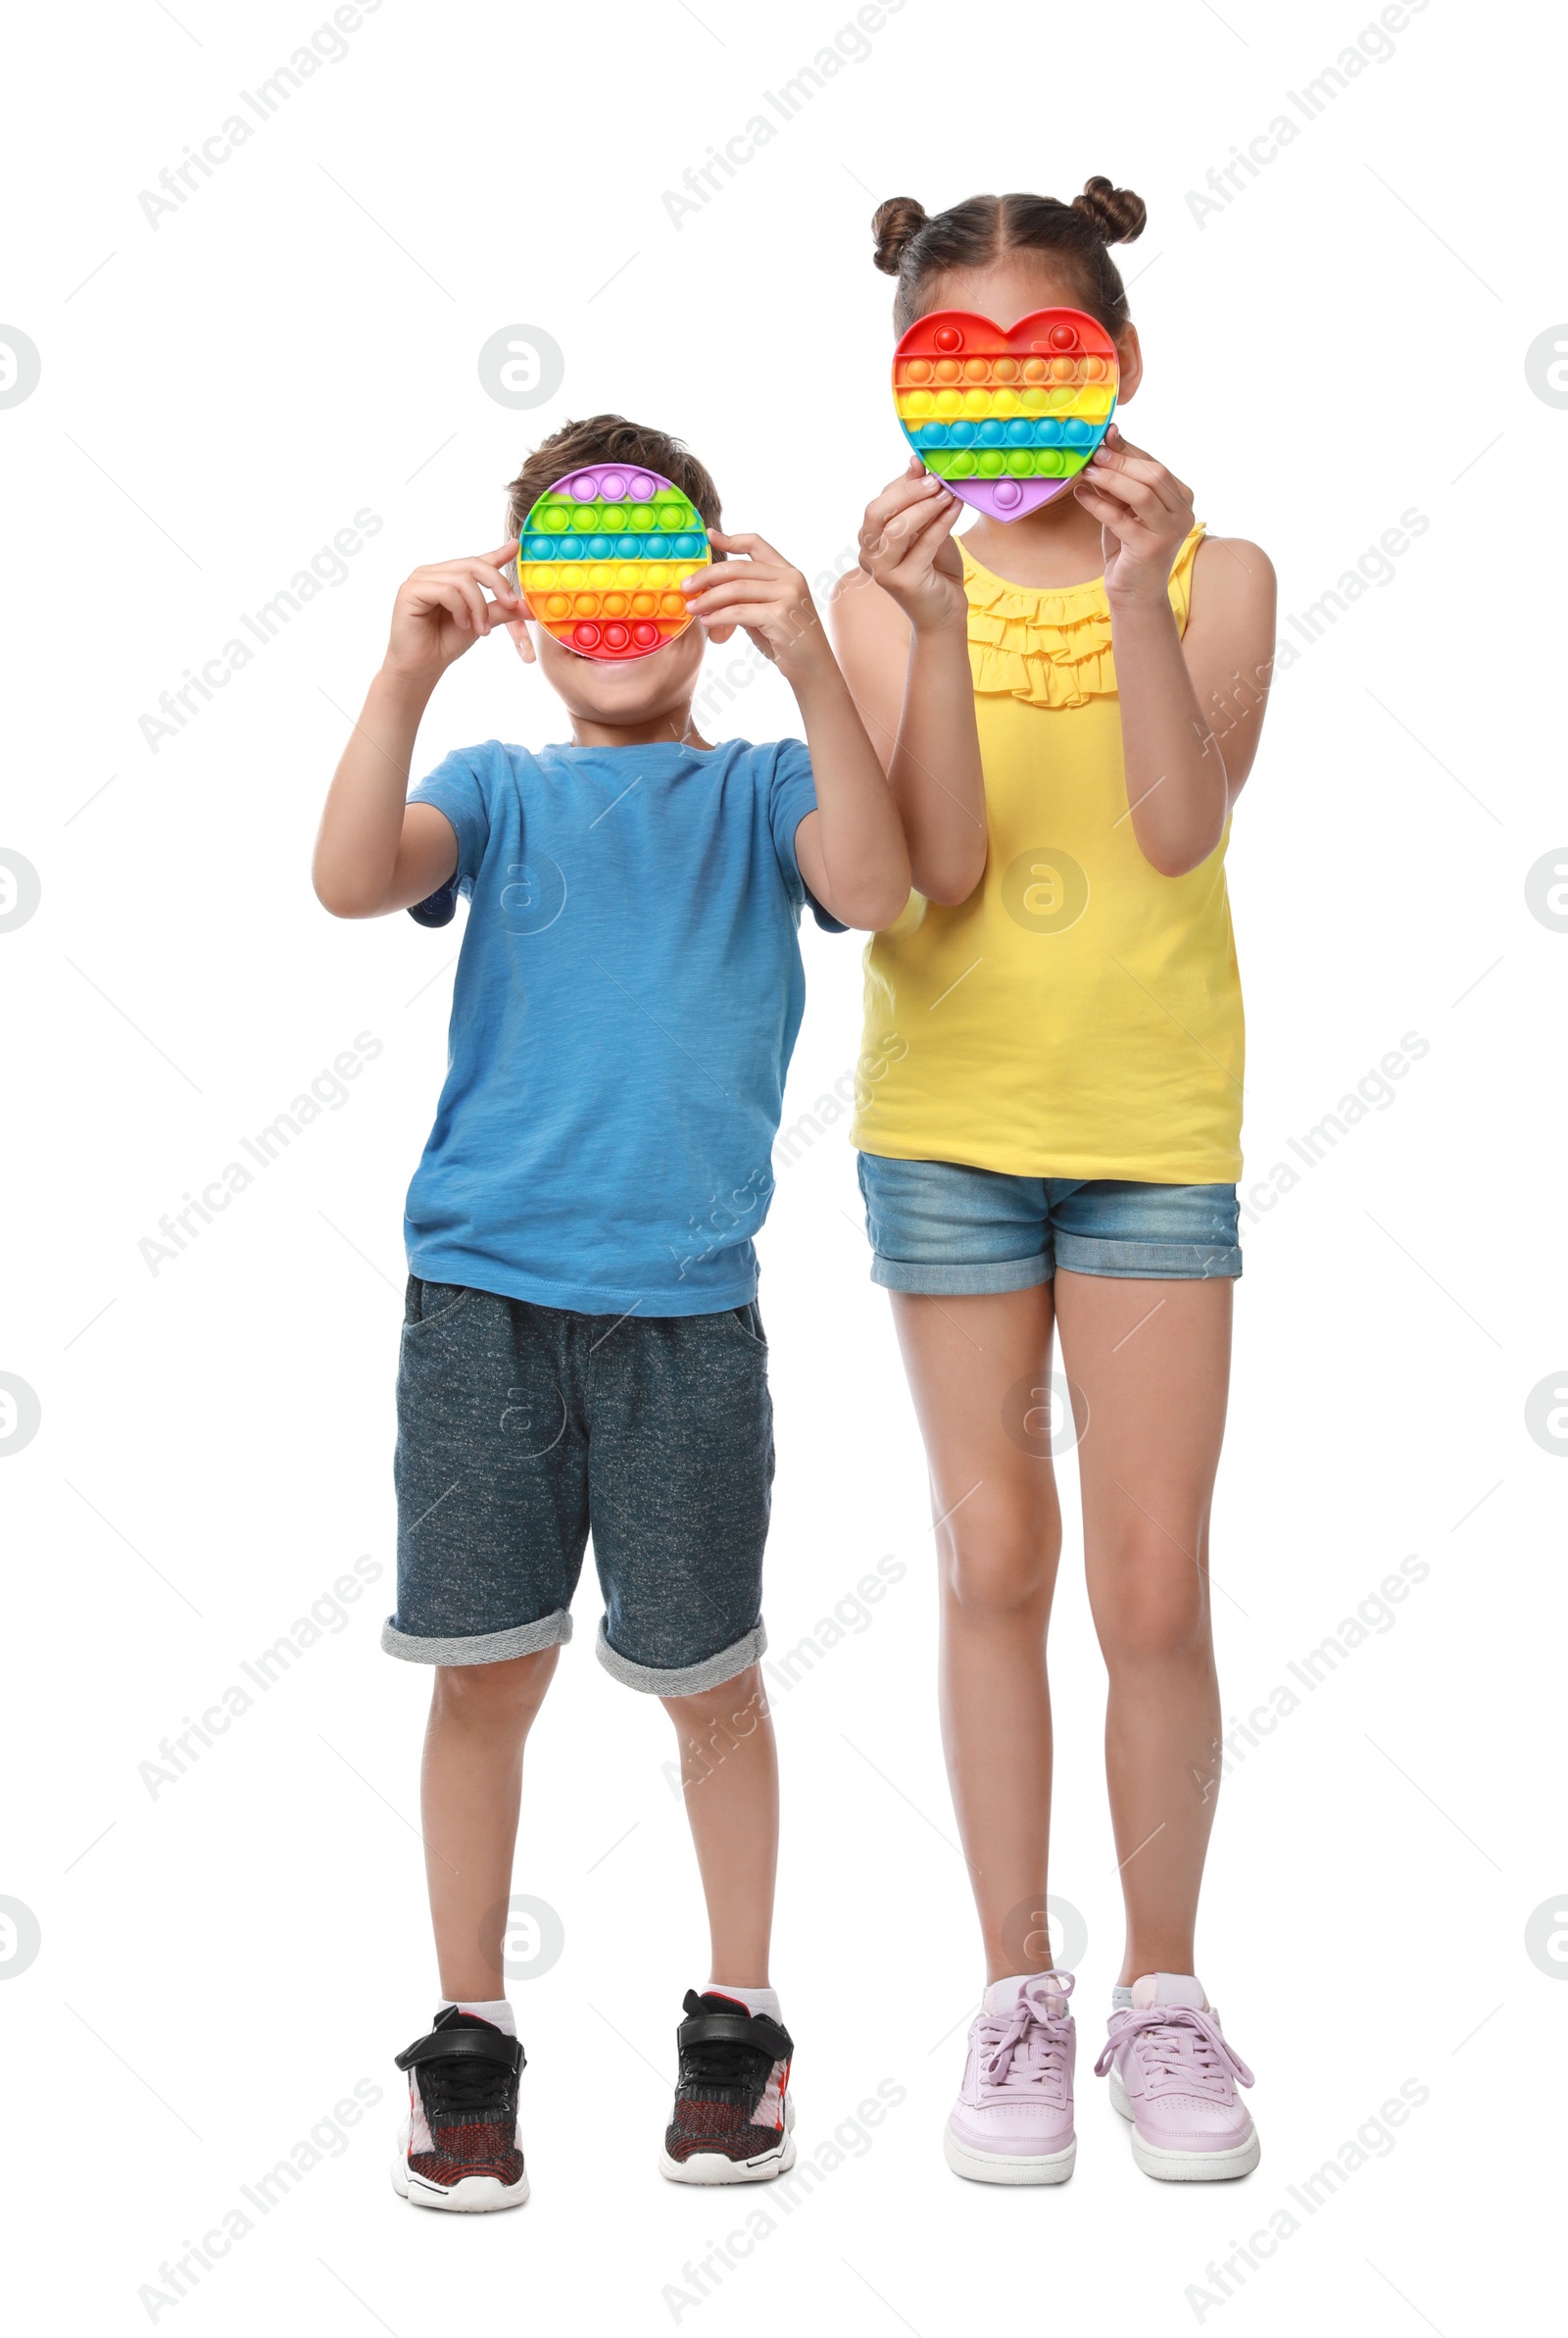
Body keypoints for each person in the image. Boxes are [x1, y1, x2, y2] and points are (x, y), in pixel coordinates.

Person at [314, 414, 908, 2210]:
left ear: (711, 589)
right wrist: (401, 672)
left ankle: (739, 2015)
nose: (618, 608)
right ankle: (468, 2035)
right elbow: (352, 874)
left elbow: (877, 886)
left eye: (659, 568)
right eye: (576, 575)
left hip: (684, 1316)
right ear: (526, 608)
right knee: (483, 1670)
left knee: (707, 1676)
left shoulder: (762, 793)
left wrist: (811, 653)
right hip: (484, 1300)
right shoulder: (494, 785)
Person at [831, 182, 1276, 2185]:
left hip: (1150, 1134)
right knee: (994, 1559)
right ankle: (1013, 1988)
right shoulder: (875, 591)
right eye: (958, 362)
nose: (1003, 402)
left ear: (1112, 369)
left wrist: (1128, 588)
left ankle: (1159, 1990)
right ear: (910, 385)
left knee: (1152, 1577)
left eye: (1046, 357)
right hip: (947, 1126)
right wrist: (924, 627)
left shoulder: (1220, 572)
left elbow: (1177, 837)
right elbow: (921, 873)